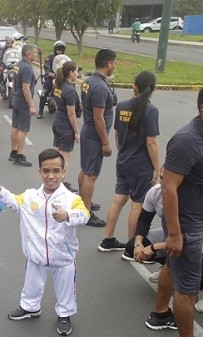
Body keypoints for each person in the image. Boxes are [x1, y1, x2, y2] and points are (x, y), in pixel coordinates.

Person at [0, 148, 89, 336]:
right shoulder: (30, 196)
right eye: (46, 171)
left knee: (65, 288)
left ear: (64, 173)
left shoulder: (72, 199)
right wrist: (0, 191)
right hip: (36, 254)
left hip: (63, 257)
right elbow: (14, 202)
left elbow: (84, 216)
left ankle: (64, 315)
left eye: (56, 171)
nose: (51, 176)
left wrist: (68, 215)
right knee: (31, 285)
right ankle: (30, 308)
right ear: (39, 172)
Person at [98, 71, 159, 251]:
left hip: (123, 160)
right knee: (137, 204)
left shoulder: (122, 106)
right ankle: (132, 248)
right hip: (141, 166)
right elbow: (151, 142)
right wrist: (156, 168)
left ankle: (107, 239)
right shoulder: (151, 110)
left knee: (118, 199)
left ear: (135, 87)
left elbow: (117, 134)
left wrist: (123, 152)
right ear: (153, 89)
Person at [162, 88, 203, 337]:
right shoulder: (187, 140)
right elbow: (168, 187)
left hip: (198, 218)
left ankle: (158, 312)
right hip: (186, 225)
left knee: (171, 266)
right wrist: (175, 234)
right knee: (188, 290)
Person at [77, 49, 117, 228]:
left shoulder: (89, 81)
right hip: (95, 135)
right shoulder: (100, 87)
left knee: (85, 170)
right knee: (91, 175)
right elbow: (98, 117)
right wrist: (106, 142)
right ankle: (86, 213)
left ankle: (84, 202)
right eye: (113, 63)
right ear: (108, 63)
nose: (114, 66)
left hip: (88, 131)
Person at [51, 61, 80, 193]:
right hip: (65, 126)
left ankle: (53, 178)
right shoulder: (69, 90)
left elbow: (57, 104)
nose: (78, 74)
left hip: (57, 121)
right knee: (64, 156)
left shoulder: (59, 85)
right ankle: (63, 183)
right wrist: (76, 131)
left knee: (56, 153)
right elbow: (71, 113)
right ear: (70, 73)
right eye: (76, 71)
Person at [8, 44, 37, 167]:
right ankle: (20, 156)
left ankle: (13, 152)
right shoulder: (27, 68)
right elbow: (26, 88)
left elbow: (15, 83)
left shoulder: (18, 65)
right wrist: (31, 105)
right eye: (34, 53)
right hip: (23, 102)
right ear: (29, 54)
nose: (35, 55)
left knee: (15, 126)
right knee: (23, 129)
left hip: (16, 99)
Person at [37, 40, 66, 119]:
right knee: (44, 93)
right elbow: (47, 66)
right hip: (52, 77)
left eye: (61, 48)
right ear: (54, 48)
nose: (59, 49)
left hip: (63, 78)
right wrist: (48, 72)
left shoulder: (66, 59)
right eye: (58, 48)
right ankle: (40, 112)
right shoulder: (50, 58)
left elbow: (71, 66)